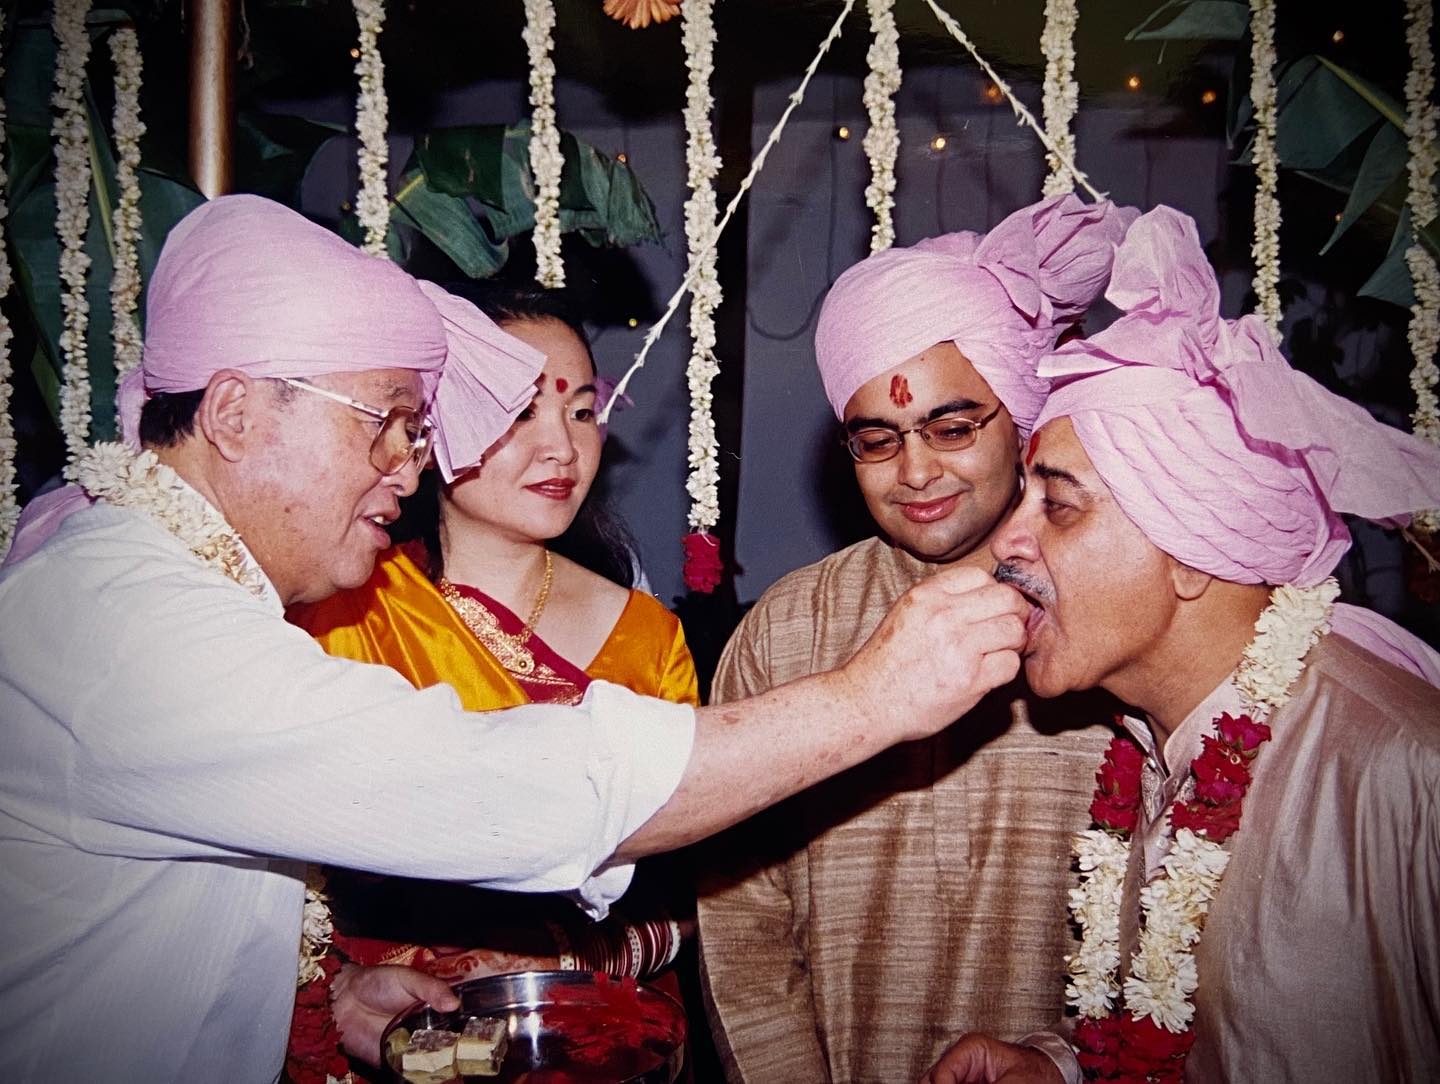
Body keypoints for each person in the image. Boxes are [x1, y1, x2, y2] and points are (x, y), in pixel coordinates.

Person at [0, 194, 1030, 1083]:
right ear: (232, 413)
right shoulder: (125, 628)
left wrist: (327, 991)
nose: (413, 462)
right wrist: (872, 697)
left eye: (416, 427)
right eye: (384, 420)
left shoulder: (147, 585)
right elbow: (495, 784)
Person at [924, 205, 1440, 1084]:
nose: (1009, 540)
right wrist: (1060, 1069)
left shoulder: (1404, 768)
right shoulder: (1153, 749)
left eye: (1058, 504)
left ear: (1193, 548)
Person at [697, 194, 1135, 1083]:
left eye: (953, 427)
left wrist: (1069, 1068)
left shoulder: (1111, 619)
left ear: (1023, 418)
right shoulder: (785, 628)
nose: (918, 471)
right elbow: (739, 919)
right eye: (878, 440)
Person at [283, 285, 698, 1079]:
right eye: (518, 413)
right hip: (382, 1037)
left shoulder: (648, 637)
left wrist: (562, 967)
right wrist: (349, 982)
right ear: (430, 426)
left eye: (581, 411)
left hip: (592, 1041)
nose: (562, 449)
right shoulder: (342, 613)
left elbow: (689, 881)